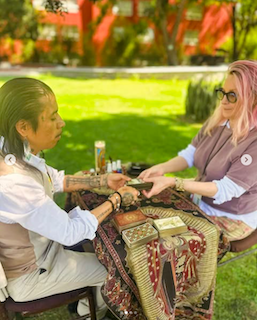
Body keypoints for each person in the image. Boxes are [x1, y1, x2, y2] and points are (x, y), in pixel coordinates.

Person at [0, 78, 138, 319]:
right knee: (117, 268)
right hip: (31, 275)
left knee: (100, 246)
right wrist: (117, 199)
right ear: (23, 127)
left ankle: (88, 303)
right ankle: (88, 312)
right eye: (52, 117)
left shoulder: (11, 150)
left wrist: (101, 181)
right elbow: (71, 232)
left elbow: (54, 178)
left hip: (42, 252)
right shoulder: (14, 181)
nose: (61, 123)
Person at [139, 60, 257, 242]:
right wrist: (162, 168)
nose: (224, 101)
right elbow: (190, 154)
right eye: (223, 93)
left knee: (164, 240)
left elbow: (225, 190)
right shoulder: (219, 121)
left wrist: (174, 182)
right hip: (201, 200)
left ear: (253, 99)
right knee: (145, 213)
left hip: (232, 217)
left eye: (232, 95)